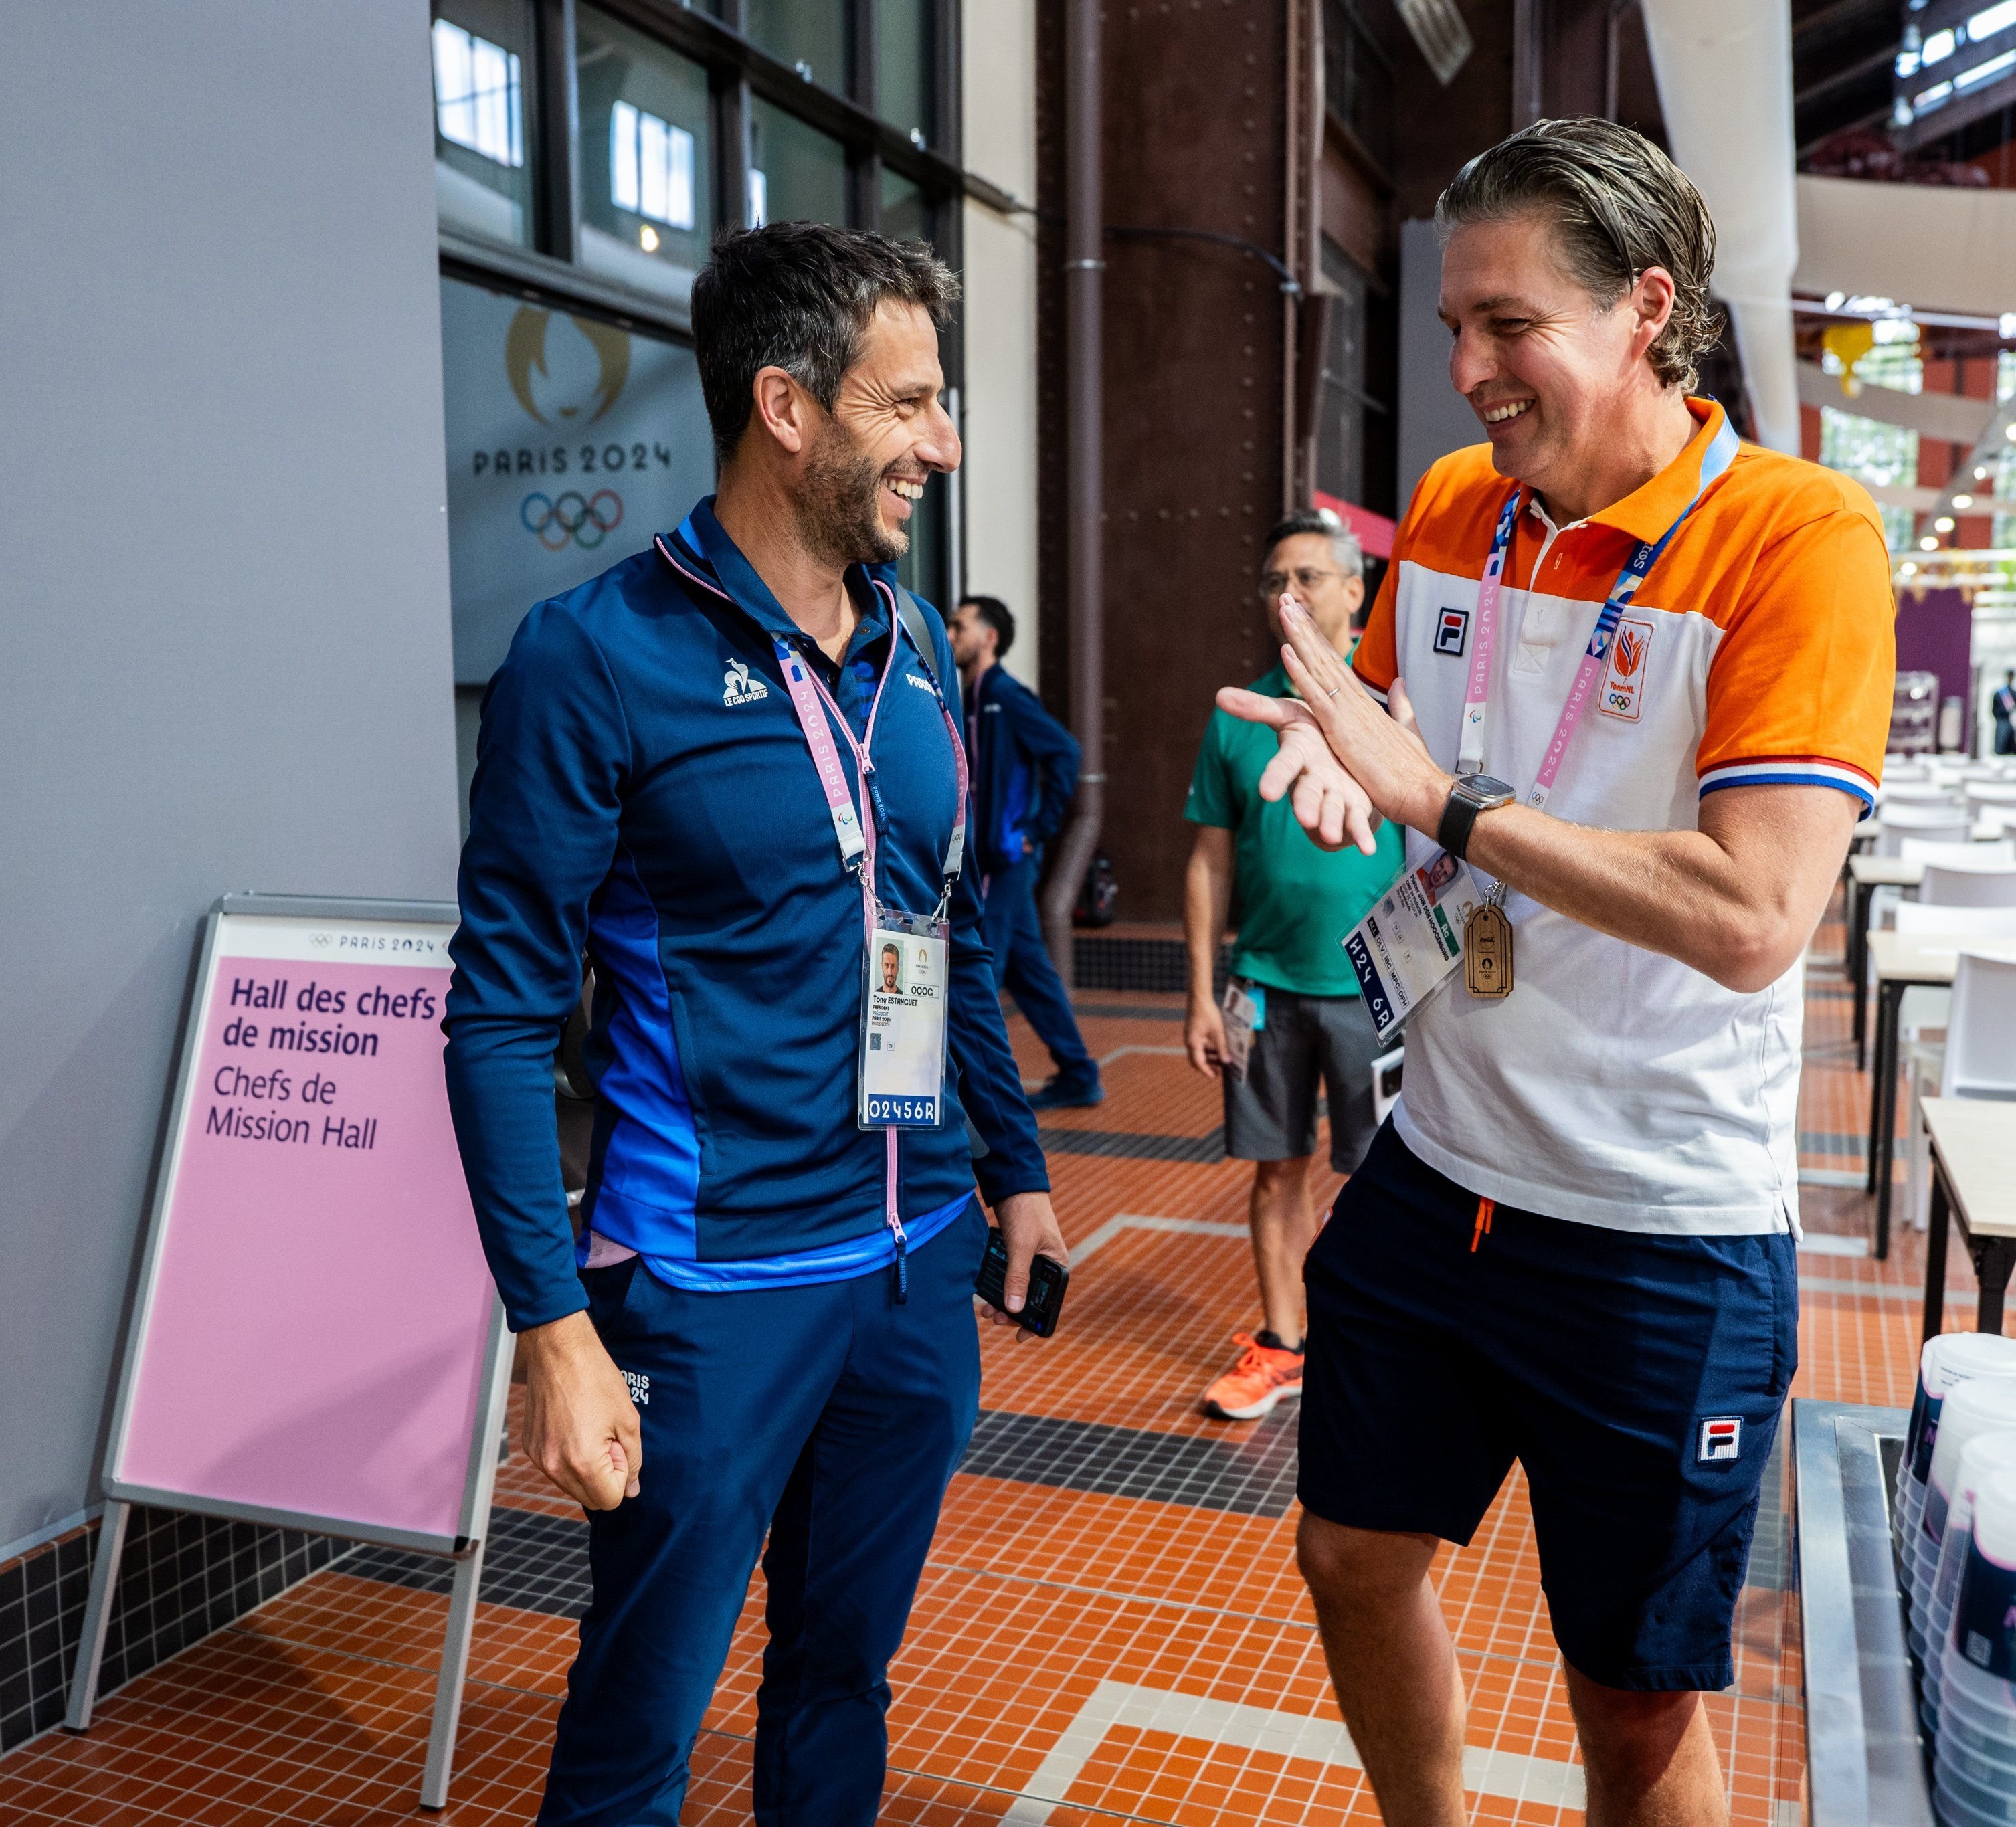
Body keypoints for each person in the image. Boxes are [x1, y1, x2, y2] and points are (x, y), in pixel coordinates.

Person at [1218, 119, 1892, 1827]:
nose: (1466, 373)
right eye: (1454, 325)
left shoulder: (1798, 541)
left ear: (1648, 309)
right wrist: (1336, 755)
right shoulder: (1458, 512)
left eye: (1509, 326)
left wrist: (1443, 798)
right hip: (1441, 1173)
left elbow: (1753, 912)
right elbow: (1381, 739)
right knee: (1350, 1553)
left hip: (1657, 1224)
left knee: (1636, 1701)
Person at [444, 222, 1067, 1827]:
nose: (941, 442)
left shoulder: (918, 645)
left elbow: (948, 939)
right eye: (905, 403)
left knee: (840, 1685)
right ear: (783, 408)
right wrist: (552, 1326)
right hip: (711, 1294)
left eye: (944, 402)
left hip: (914, 1274)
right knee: (635, 1735)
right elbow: (501, 1018)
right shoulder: (591, 658)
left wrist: (1012, 1174)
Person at [1180, 508, 1406, 1421]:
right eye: (1277, 579)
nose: (1291, 593)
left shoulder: (1392, 709)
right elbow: (1208, 860)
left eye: (1310, 575)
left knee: (1381, 1182)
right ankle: (1284, 1341)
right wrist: (1202, 992)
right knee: (1275, 1169)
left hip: (1374, 990)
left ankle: (1373, 1343)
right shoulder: (1241, 714)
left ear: (1357, 590)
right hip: (1265, 984)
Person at [947, 594, 1097, 1108]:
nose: (950, 635)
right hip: (990, 858)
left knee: (980, 969)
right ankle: (1079, 1073)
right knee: (1030, 972)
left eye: (960, 626)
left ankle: (978, 1095)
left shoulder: (1006, 695)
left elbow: (1065, 751)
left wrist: (1037, 826)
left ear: (989, 638)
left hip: (1008, 859)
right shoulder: (970, 696)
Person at [1989, 666, 2016, 755]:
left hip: (2014, 724)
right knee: (2001, 746)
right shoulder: (1999, 694)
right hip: (2003, 721)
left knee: (2014, 748)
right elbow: (1994, 710)